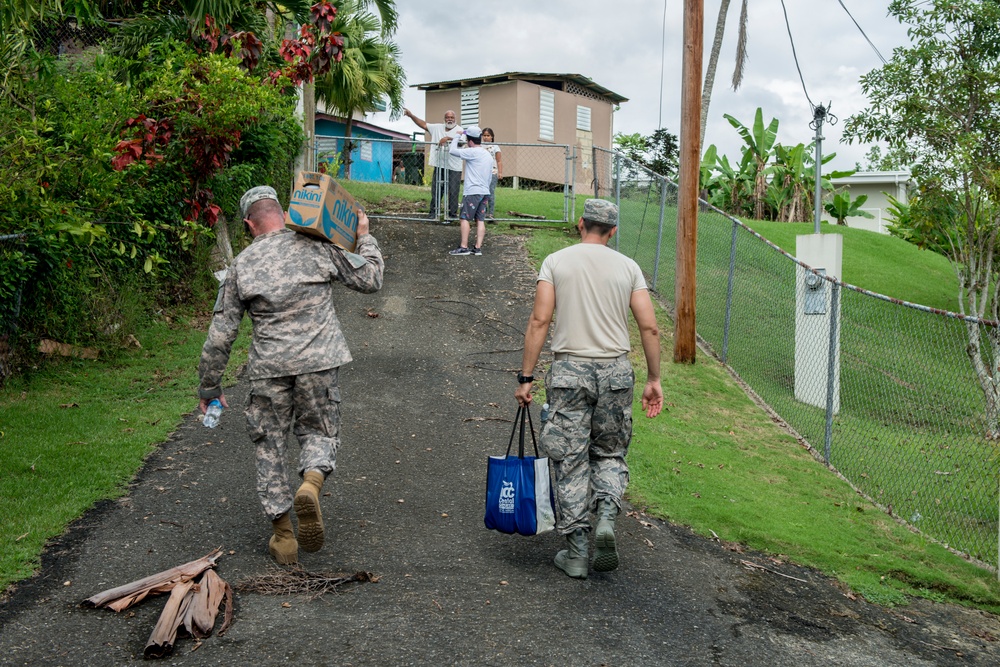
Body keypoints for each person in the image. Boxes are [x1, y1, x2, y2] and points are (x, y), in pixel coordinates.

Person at [197, 186, 384, 565]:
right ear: (283, 213)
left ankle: (283, 537)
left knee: (270, 445)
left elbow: (221, 334)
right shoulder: (317, 246)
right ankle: (311, 483)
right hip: (318, 362)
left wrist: (210, 386)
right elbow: (371, 279)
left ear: (249, 224)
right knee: (318, 431)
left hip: (268, 370)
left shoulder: (242, 266)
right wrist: (364, 236)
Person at [514, 199, 663, 580]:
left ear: (581, 224)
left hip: (569, 373)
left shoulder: (556, 261)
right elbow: (649, 327)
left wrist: (526, 377)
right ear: (612, 231)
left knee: (571, 460)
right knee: (610, 452)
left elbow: (540, 319)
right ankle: (607, 515)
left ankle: (578, 552)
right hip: (615, 372)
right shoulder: (628, 267)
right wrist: (653, 379)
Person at [403, 108, 463, 220]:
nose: (449, 119)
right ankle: (434, 213)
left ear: (455, 119)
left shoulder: (460, 130)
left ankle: (451, 215)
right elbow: (423, 124)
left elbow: (461, 142)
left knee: (453, 191)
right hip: (439, 164)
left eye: (452, 117)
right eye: (447, 117)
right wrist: (411, 115)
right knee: (436, 189)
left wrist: (448, 138)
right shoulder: (437, 128)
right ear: (444, 119)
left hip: (454, 166)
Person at [447, 126, 494, 256]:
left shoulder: (472, 152)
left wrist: (457, 135)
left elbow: (452, 150)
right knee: (480, 219)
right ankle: (477, 248)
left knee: (464, 218)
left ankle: (464, 247)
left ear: (470, 140)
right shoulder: (487, 155)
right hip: (484, 191)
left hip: (472, 191)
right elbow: (490, 176)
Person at [481, 128, 502, 220]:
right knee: (482, 192)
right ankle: (483, 212)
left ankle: (491, 213)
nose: (486, 137)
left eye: (488, 135)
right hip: (481, 173)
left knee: (490, 192)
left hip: (493, 172)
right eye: (484, 135)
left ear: (492, 137)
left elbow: (499, 161)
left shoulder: (495, 147)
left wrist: (500, 172)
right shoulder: (479, 146)